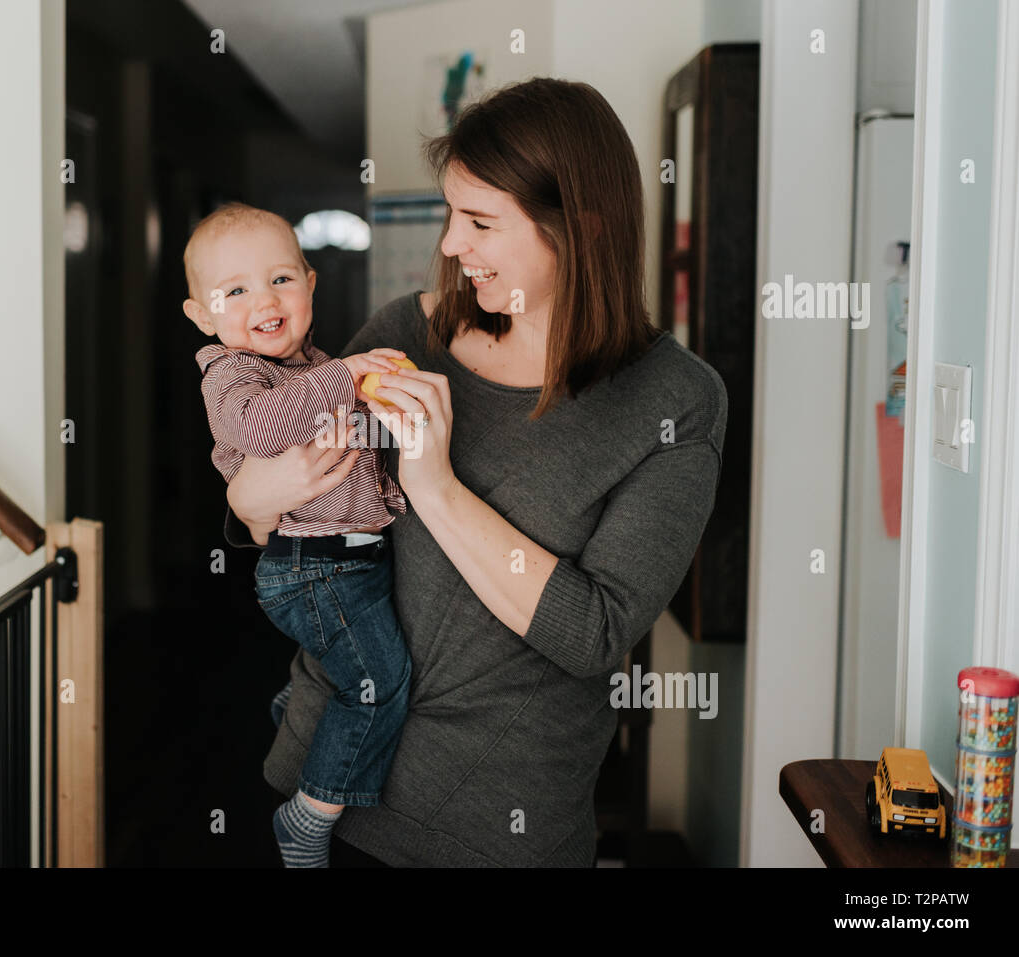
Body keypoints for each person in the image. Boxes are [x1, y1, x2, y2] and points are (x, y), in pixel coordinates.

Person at [225, 77, 728, 867]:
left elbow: (595, 632)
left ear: (580, 228)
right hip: (320, 793)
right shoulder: (403, 333)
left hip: (495, 829)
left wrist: (436, 487)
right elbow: (279, 512)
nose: (453, 244)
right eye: (453, 214)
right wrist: (246, 497)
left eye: (481, 221)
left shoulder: (675, 401)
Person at [183, 202, 416, 867]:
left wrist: (376, 391)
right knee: (378, 684)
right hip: (314, 566)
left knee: (359, 665)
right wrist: (347, 375)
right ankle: (309, 813)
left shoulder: (311, 364)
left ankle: (302, 699)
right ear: (203, 315)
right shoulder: (233, 374)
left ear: (311, 283)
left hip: (347, 563)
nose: (265, 299)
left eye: (281, 279)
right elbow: (261, 428)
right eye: (235, 291)